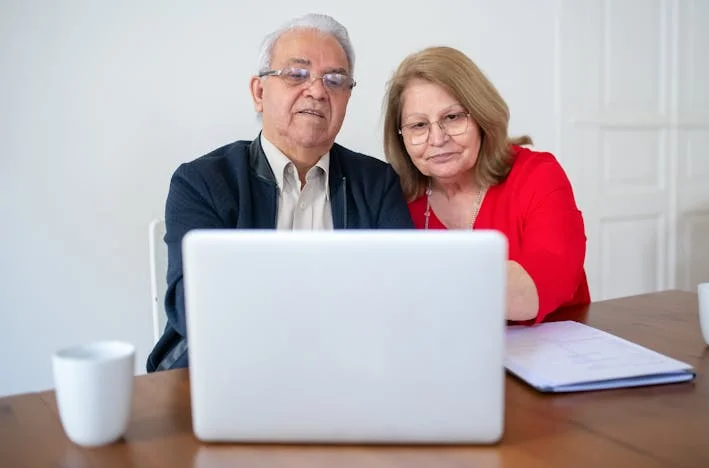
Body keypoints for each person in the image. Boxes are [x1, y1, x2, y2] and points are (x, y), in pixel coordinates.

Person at [147, 13, 413, 372]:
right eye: (296, 74)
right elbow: (193, 307)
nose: (318, 91)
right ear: (259, 92)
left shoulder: (377, 183)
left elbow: (403, 297)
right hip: (230, 372)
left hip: (347, 371)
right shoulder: (203, 182)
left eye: (335, 80)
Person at [382, 46, 590, 323]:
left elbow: (550, 278)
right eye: (419, 125)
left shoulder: (537, 175)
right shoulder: (393, 198)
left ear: (481, 116)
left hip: (554, 352)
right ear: (401, 138)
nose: (438, 138)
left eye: (453, 117)